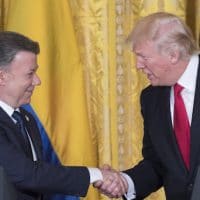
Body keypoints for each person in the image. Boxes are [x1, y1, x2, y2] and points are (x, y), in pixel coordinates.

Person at [0, 31, 127, 200]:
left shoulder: (25, 119)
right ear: (2, 76)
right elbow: (27, 175)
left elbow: (39, 182)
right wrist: (95, 175)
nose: (37, 81)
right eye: (30, 74)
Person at [95, 12, 200, 200]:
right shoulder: (151, 98)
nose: (137, 65)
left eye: (143, 57)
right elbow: (158, 163)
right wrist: (125, 182)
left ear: (173, 55)